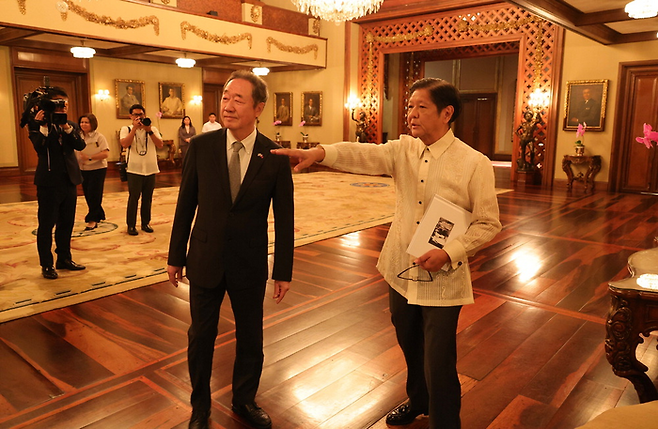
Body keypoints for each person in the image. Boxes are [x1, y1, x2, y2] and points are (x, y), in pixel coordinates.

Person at [272, 78, 501, 429]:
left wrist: (449, 252)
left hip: (443, 277)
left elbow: (488, 223)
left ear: (447, 113)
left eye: (421, 107)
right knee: (409, 344)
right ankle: (417, 400)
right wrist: (319, 153)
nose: (411, 114)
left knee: (438, 360)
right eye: (409, 106)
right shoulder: (404, 149)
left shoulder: (474, 163)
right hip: (399, 268)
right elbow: (364, 154)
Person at [167, 70, 294, 429]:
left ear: (259, 108)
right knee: (200, 337)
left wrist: (282, 270)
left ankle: (244, 400)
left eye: (239, 99)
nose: (229, 105)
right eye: (225, 97)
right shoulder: (202, 147)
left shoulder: (274, 155)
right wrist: (176, 256)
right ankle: (200, 408)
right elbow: (185, 205)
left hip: (249, 262)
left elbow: (285, 218)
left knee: (251, 337)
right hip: (205, 258)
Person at [25, 86, 87, 279]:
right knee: (46, 225)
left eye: (65, 104)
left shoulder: (70, 125)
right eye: (58, 104)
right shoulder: (36, 124)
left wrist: (67, 129)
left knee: (67, 223)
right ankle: (46, 265)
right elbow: (40, 149)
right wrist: (43, 126)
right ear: (49, 105)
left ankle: (64, 259)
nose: (62, 108)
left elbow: (80, 145)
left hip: (69, 180)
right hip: (48, 183)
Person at [119, 104, 164, 236]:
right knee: (134, 197)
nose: (139, 117)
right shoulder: (126, 128)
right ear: (130, 116)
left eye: (141, 115)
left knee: (147, 198)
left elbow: (160, 145)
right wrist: (134, 129)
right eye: (136, 115)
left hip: (150, 168)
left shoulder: (152, 128)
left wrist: (148, 130)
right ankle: (131, 225)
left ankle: (146, 223)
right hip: (134, 169)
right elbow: (124, 144)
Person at [77, 113, 110, 230]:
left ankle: (93, 219)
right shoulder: (77, 136)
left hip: (98, 168)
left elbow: (105, 153)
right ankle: (99, 214)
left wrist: (90, 157)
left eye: (86, 122)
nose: (83, 124)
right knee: (88, 193)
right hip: (83, 168)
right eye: (82, 122)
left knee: (94, 194)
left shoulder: (99, 137)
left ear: (92, 124)